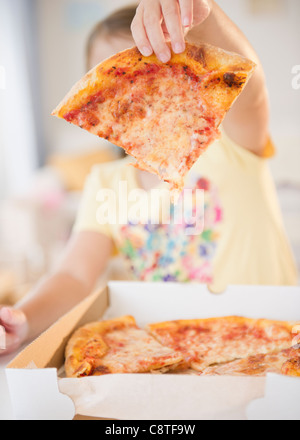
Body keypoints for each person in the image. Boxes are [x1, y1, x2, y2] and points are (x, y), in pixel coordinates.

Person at [0, 1, 297, 356]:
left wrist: (202, 14)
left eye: (150, 73)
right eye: (113, 82)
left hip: (275, 339)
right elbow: (74, 276)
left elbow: (251, 86)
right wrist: (23, 319)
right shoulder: (105, 184)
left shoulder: (229, 142)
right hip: (175, 357)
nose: (134, 95)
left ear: (187, 75)